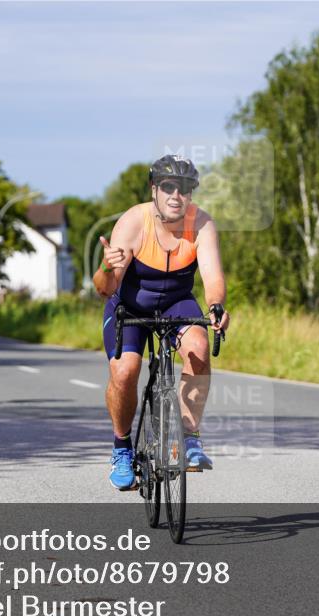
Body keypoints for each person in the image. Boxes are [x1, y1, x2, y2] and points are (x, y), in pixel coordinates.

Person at [93, 155, 230, 490]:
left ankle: (189, 436)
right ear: (154, 188)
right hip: (129, 306)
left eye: (184, 188)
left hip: (176, 303)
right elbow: (104, 289)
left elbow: (213, 277)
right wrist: (107, 267)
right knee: (125, 371)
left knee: (198, 348)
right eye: (168, 187)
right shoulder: (133, 222)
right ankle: (122, 448)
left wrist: (216, 307)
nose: (176, 195)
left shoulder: (202, 224)